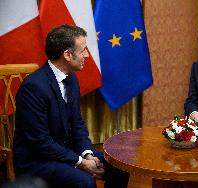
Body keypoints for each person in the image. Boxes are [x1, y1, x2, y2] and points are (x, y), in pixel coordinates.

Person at [13, 25, 129, 188]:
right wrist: (80, 162)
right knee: (85, 182)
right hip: (37, 160)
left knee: (120, 168)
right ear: (67, 54)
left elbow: (77, 124)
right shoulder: (34, 87)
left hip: (68, 151)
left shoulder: (71, 78)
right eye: (83, 50)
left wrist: (87, 154)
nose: (87, 55)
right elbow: (40, 142)